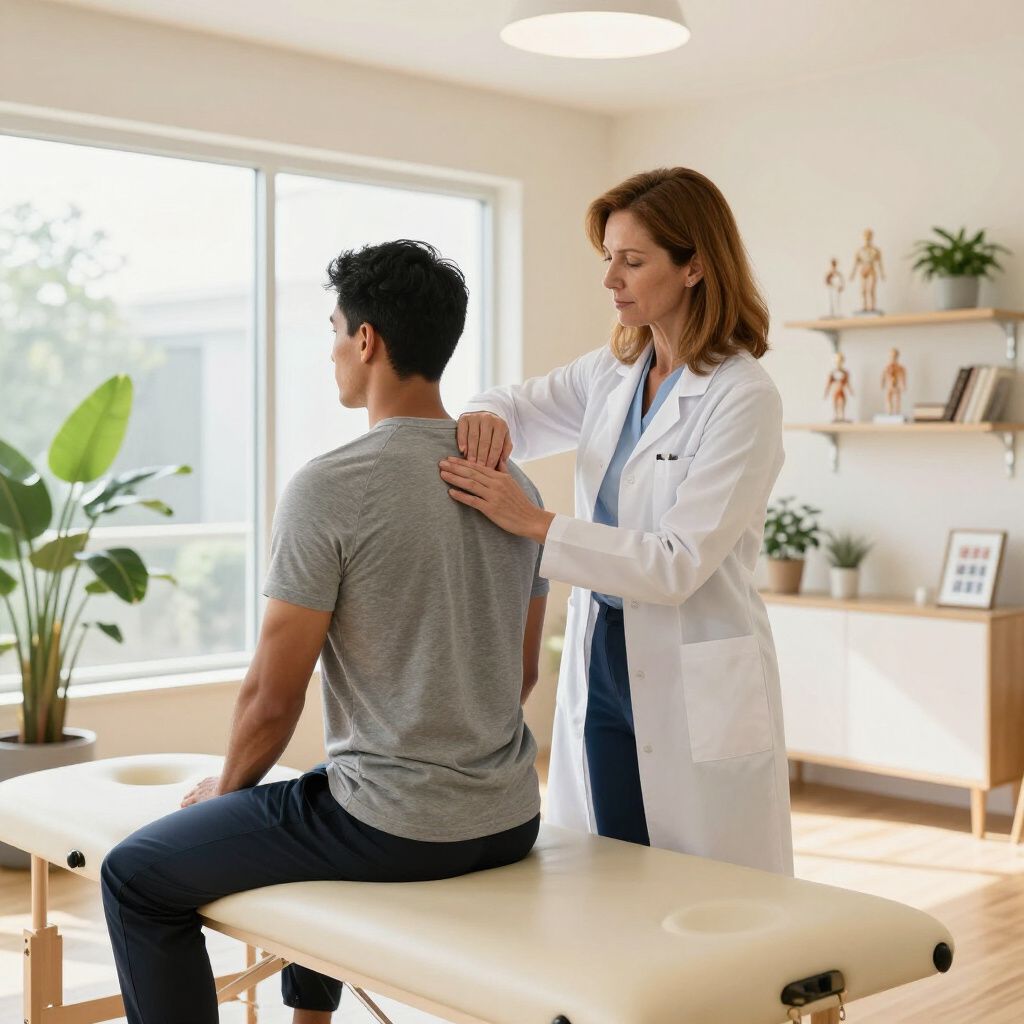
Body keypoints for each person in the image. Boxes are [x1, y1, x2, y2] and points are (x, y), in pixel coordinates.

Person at [100, 240, 549, 1024]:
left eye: (335, 328)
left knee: (133, 876)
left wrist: (224, 793)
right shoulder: (513, 482)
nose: (332, 349)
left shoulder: (332, 486)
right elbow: (519, 677)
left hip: (397, 829)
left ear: (367, 340)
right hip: (509, 818)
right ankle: (310, 1018)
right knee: (315, 791)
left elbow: (273, 699)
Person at [438, 167, 793, 875]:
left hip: (695, 659)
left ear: (695, 266)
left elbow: (675, 563)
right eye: (609, 258)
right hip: (603, 653)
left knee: (708, 885)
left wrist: (533, 523)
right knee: (609, 861)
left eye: (633, 261)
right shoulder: (614, 372)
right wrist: (483, 419)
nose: (611, 279)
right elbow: (510, 403)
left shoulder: (742, 396)